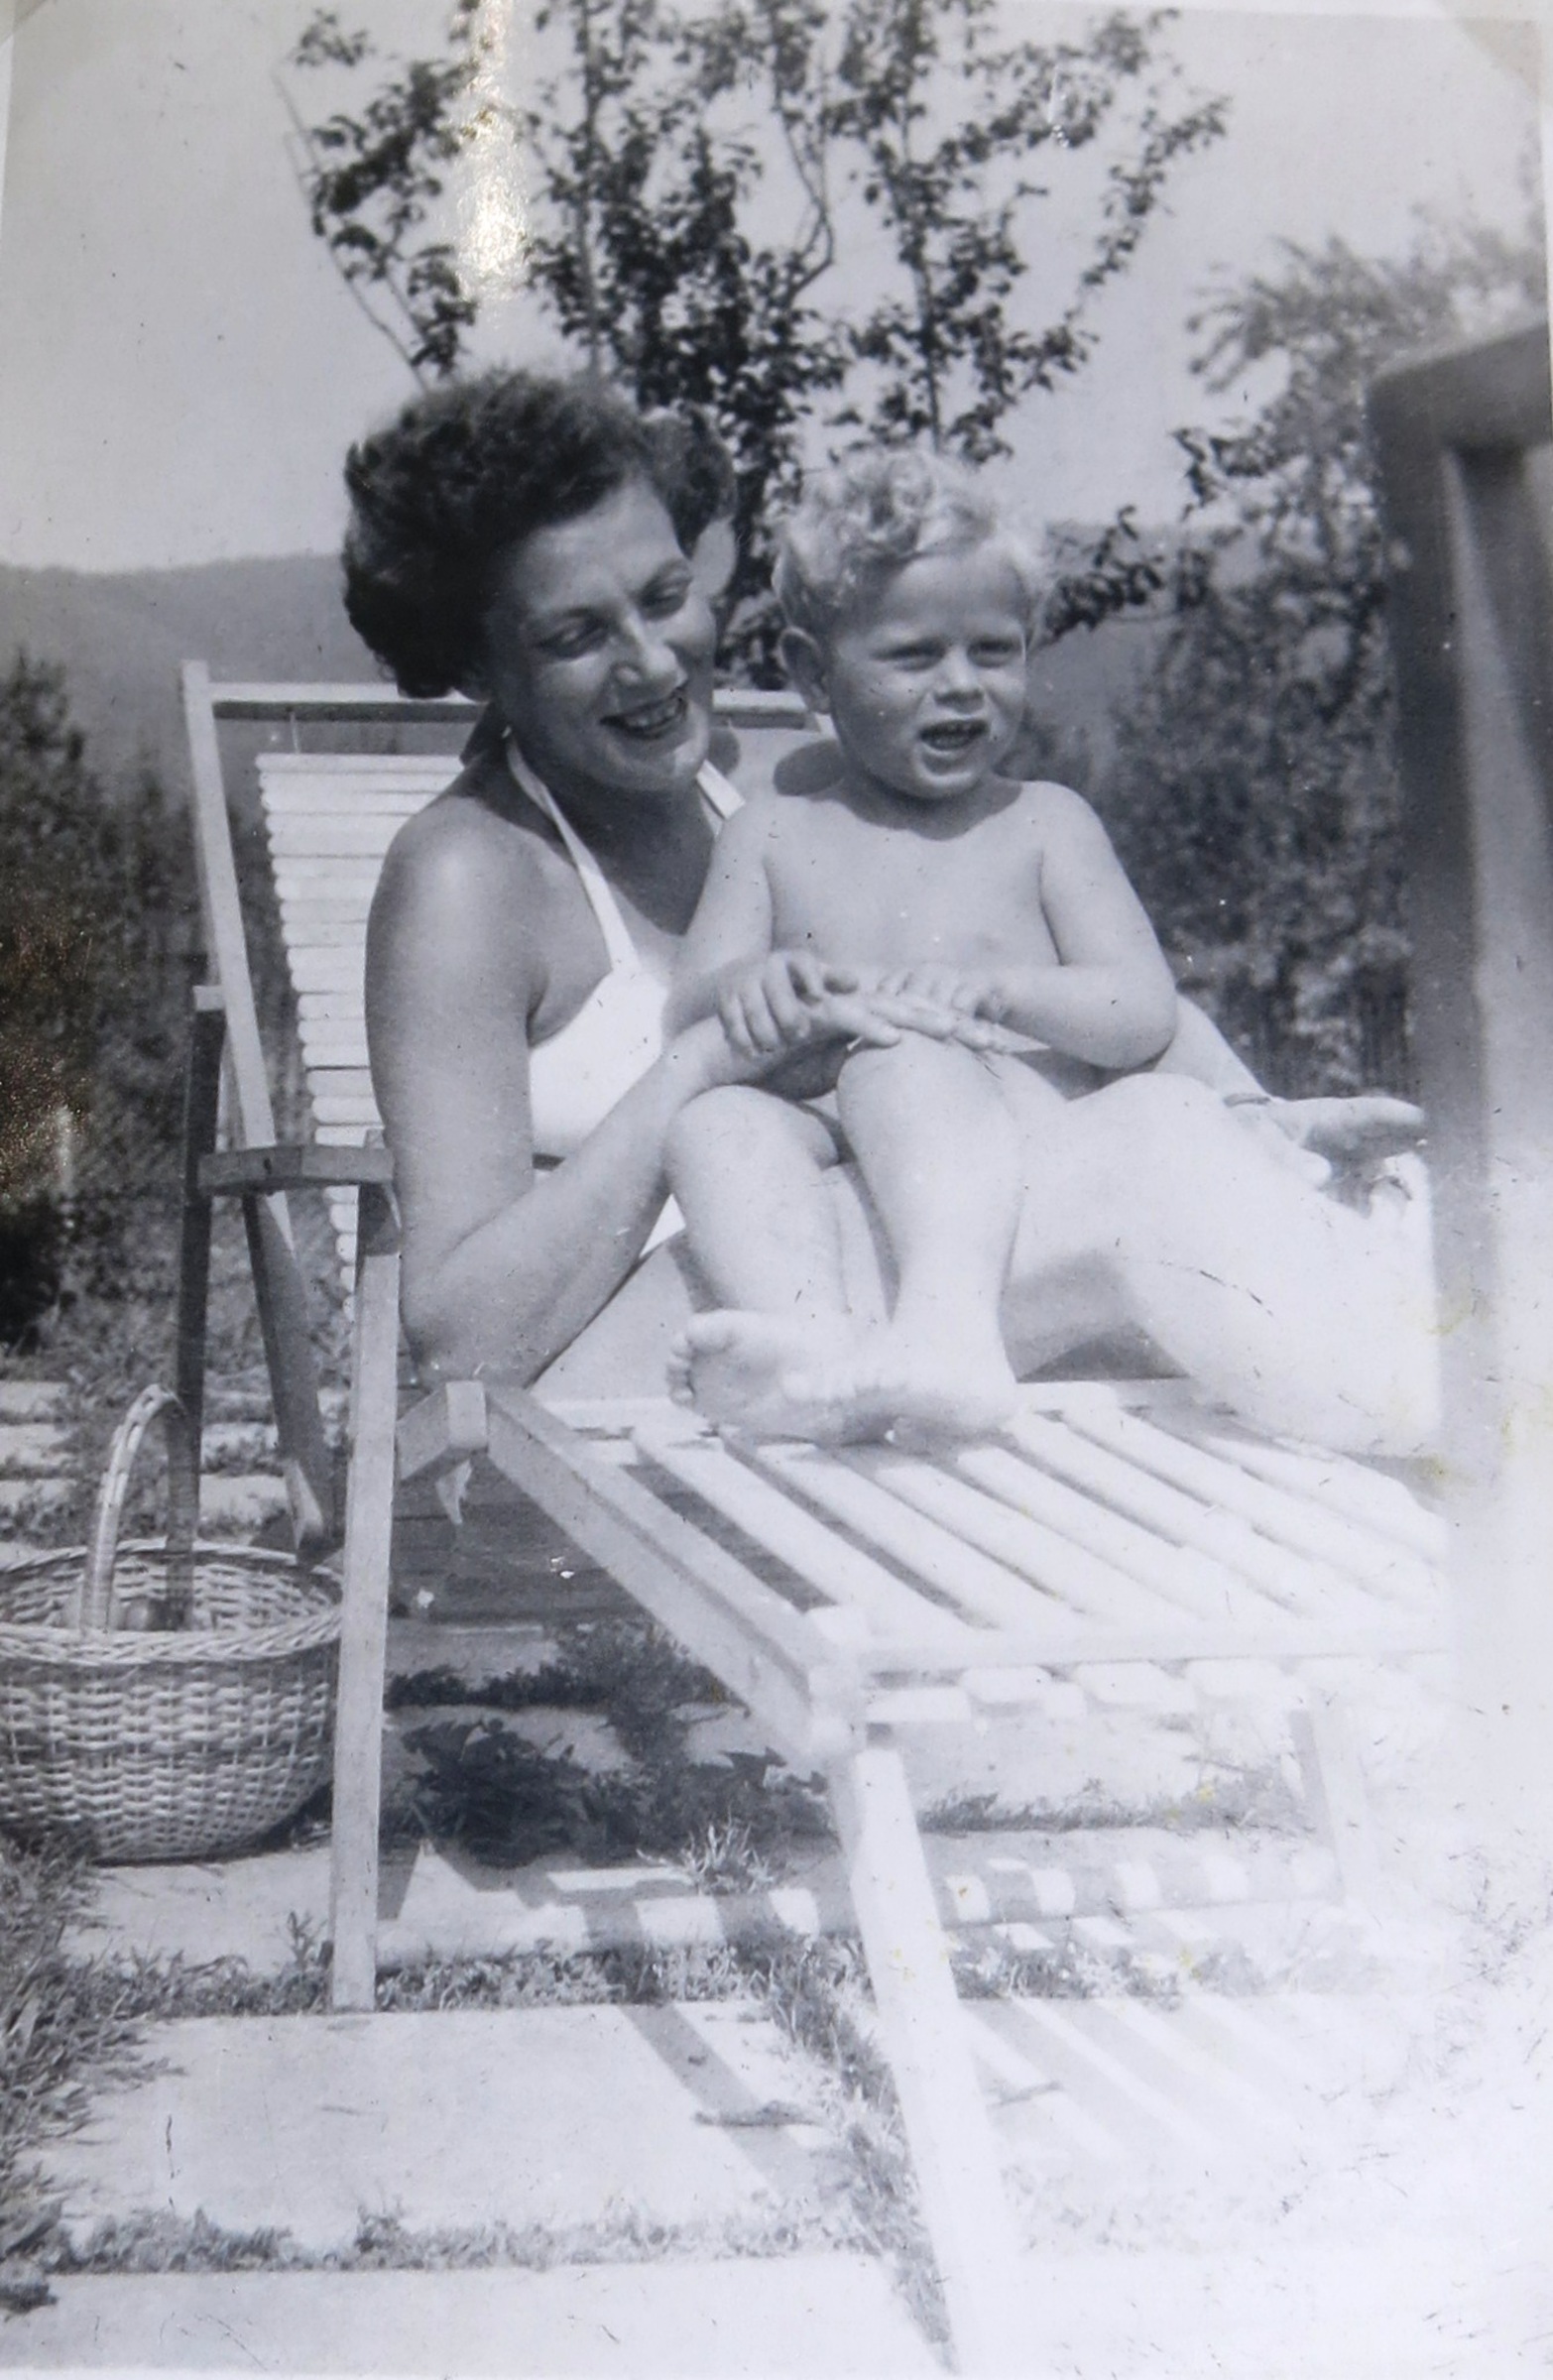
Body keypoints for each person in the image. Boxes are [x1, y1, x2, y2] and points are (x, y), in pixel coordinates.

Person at [347, 367, 1435, 1460]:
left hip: (882, 1309)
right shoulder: (469, 875)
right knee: (1145, 1161)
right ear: (479, 662)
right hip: (653, 1375)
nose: (651, 660)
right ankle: (1459, 1433)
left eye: (666, 595)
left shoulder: (773, 792)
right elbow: (462, 1342)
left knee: (1169, 1139)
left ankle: (1420, 1391)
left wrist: (1258, 1120)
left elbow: (1044, 998)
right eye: (575, 636)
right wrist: (703, 1061)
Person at [662, 448, 1181, 1443]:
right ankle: (815, 1355)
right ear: (812, 672)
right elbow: (686, 1013)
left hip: (1007, 1149)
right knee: (713, 1125)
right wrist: (754, 984)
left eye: (994, 651)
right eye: (914, 656)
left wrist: (1002, 992)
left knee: (900, 1060)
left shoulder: (1044, 823)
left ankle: (949, 1332)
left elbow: (1142, 1009)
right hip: (836, 1142)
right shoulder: (770, 833)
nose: (962, 688)